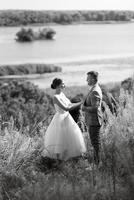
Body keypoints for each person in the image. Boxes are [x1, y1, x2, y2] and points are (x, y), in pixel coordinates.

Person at [42, 78, 86, 161]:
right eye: (63, 83)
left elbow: (69, 104)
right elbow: (66, 108)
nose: (64, 85)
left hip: (67, 118)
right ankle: (58, 161)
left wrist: (79, 102)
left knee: (70, 137)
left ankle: (68, 159)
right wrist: (79, 103)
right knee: (59, 139)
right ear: (58, 85)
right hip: (60, 118)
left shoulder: (62, 94)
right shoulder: (56, 97)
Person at [82, 71, 103, 165]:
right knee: (95, 143)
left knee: (96, 144)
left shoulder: (95, 91)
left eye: (88, 78)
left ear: (94, 79)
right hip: (92, 121)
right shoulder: (94, 88)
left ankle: (97, 164)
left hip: (94, 121)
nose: (86, 80)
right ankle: (97, 163)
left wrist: (84, 108)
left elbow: (95, 108)